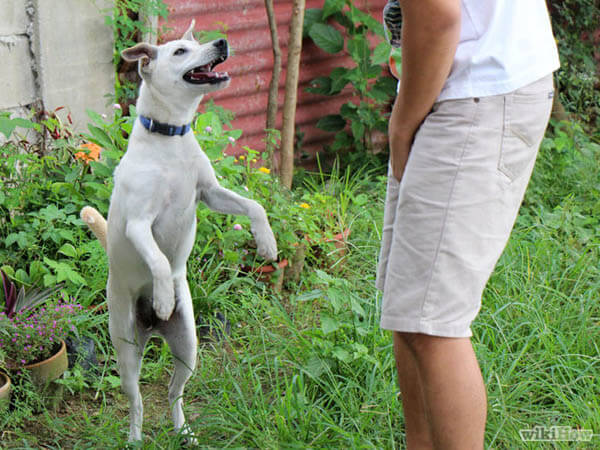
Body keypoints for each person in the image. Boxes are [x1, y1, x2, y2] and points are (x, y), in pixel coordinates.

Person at [377, 1, 559, 448]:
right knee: (410, 312)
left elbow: (438, 15)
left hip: (473, 90)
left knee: (432, 324)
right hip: (463, 82)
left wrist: (402, 126)